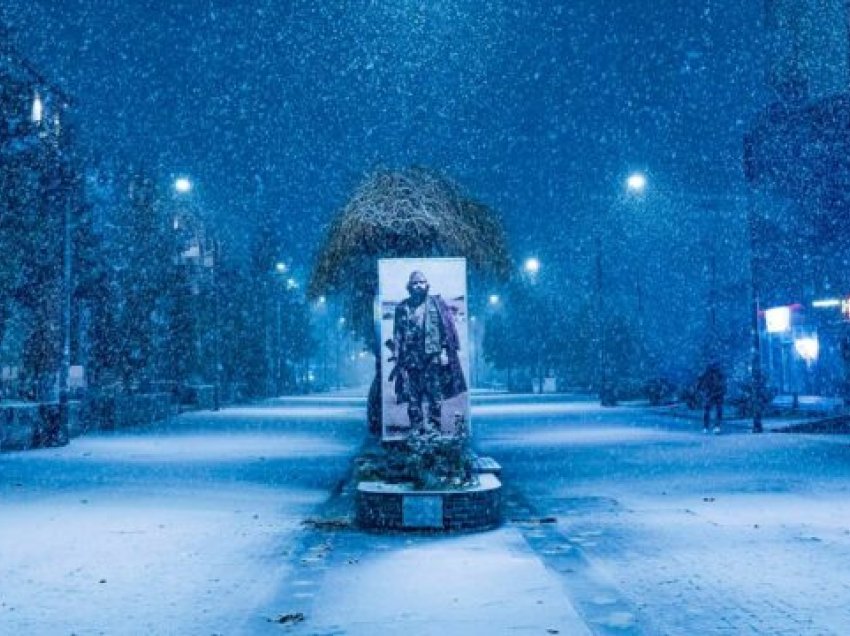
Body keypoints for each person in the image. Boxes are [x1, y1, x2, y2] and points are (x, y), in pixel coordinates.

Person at [388, 271, 466, 433]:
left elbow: (446, 329)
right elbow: (397, 334)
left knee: (435, 396)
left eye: (421, 282)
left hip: (432, 358)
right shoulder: (402, 308)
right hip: (410, 360)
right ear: (410, 286)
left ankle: (434, 430)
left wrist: (445, 351)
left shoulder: (437, 304)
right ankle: (416, 430)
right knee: (412, 397)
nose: (418, 286)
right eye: (415, 283)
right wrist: (396, 354)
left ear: (426, 284)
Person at [696, 362, 726, 434]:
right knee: (713, 410)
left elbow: (699, 382)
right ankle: (712, 426)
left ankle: (710, 426)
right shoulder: (713, 373)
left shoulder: (710, 373)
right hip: (712, 393)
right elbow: (700, 382)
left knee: (712, 410)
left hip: (714, 393)